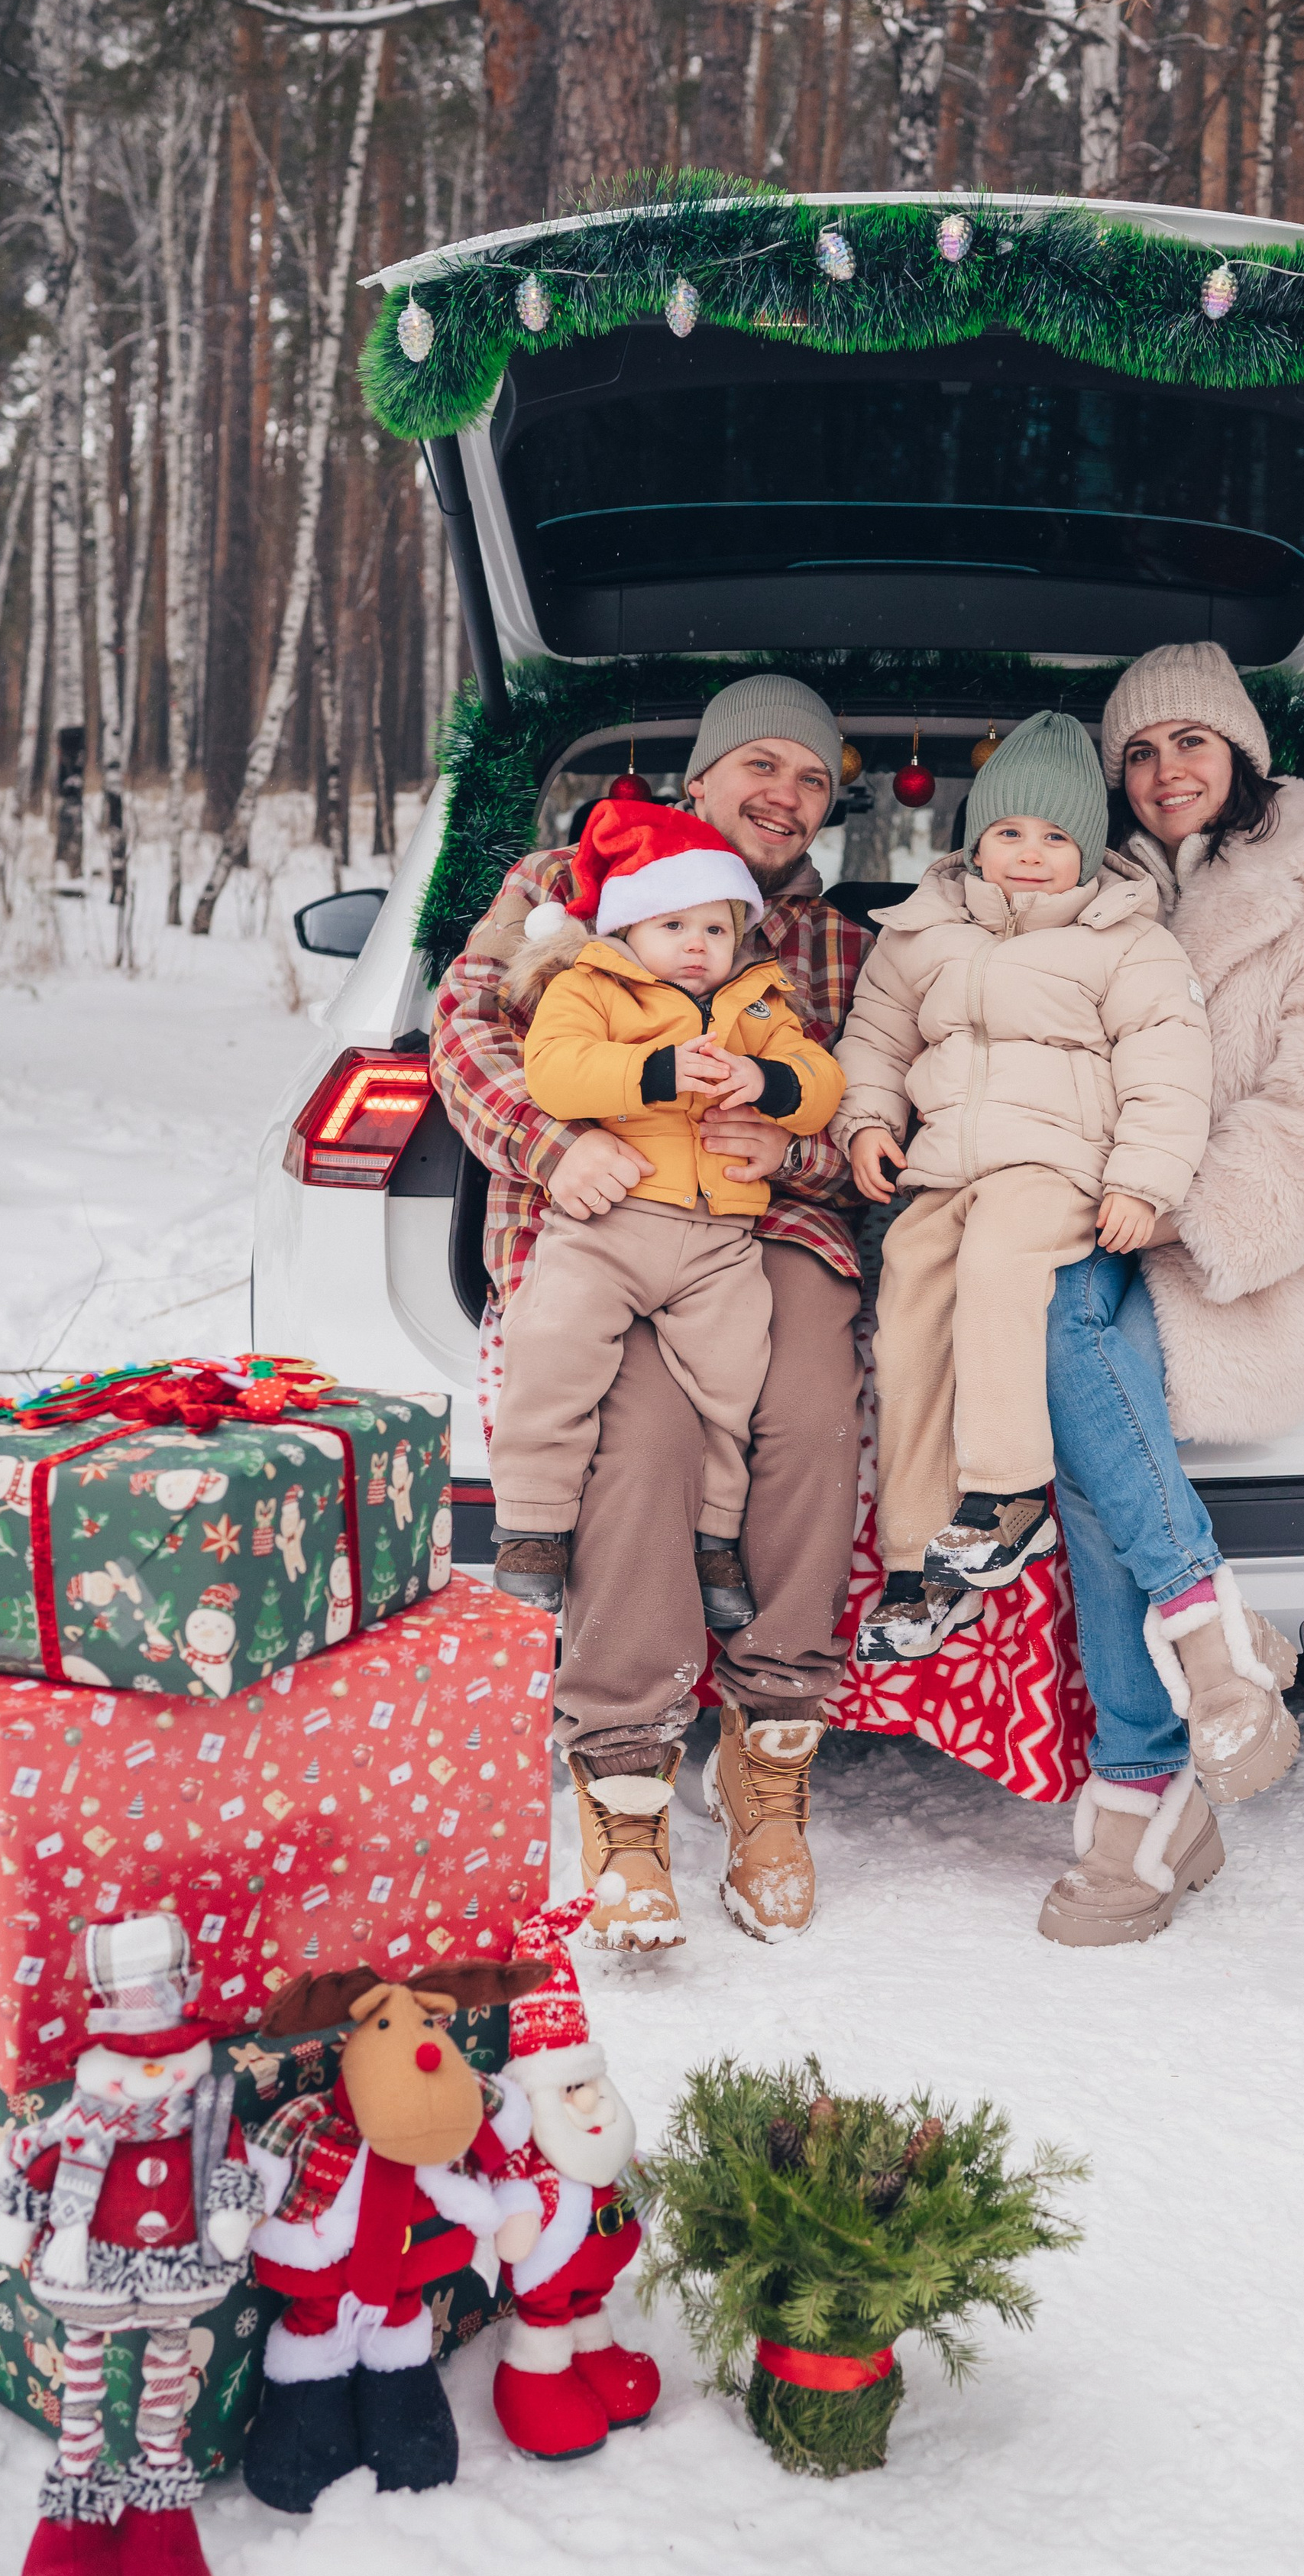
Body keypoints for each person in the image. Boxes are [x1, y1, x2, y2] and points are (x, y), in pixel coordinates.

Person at [432, 674, 869, 1953]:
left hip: (758, 1222)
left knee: (803, 1403)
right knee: (645, 1437)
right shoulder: (565, 880)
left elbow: (869, 1115)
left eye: (812, 781)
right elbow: (464, 1022)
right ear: (702, 776)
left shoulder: (831, 944)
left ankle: (770, 1754)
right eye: (763, 766)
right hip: (589, 1210)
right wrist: (551, 1142)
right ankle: (624, 1779)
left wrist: (793, 1145)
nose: (784, 796)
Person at [1037, 642, 1304, 1948]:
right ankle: (1209, 1642)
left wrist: (1192, 1215)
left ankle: (1145, 1780)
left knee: (1098, 1430)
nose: (1163, 773)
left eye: (1188, 743)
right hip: (1091, 1219)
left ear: (1242, 751)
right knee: (1064, 1335)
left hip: (1251, 1248)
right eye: (1137, 754)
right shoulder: (1085, 897)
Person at [830, 711, 1212, 1660]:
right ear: (973, 842)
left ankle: (1005, 1495)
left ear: (1086, 851)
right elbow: (874, 1040)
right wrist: (868, 1121)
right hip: (942, 1167)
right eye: (1008, 834)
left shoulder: (1126, 942)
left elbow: (1169, 1069)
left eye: (1055, 838)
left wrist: (1143, 1183)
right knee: (910, 1310)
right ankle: (922, 1564)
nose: (1030, 856)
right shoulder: (920, 933)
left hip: (1056, 1167)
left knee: (1002, 1269)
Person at [490, 799, 846, 1628]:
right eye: (673, 923)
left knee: (731, 1384)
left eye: (716, 929)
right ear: (626, 930)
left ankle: (715, 1536)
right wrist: (653, 1071)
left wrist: (770, 1085)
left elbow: (820, 1080)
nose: (697, 945)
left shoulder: (760, 1003)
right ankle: (531, 1523)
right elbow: (555, 1073)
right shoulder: (592, 987)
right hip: (610, 1226)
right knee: (555, 1349)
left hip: (720, 1241)